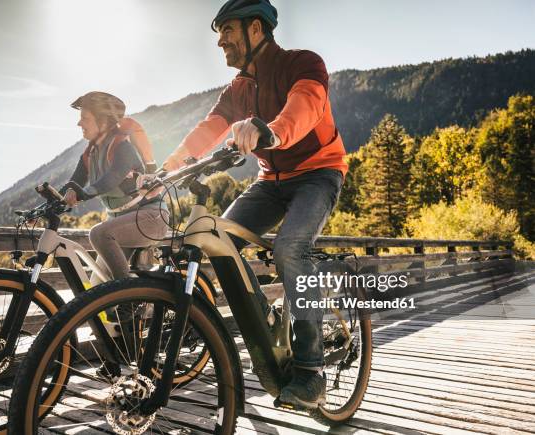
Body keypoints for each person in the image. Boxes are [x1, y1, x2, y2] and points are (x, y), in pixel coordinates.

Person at [163, 0, 347, 409]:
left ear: (257, 30)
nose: (221, 42)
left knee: (290, 248)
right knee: (220, 241)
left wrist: (271, 132)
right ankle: (266, 319)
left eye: (228, 31)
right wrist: (165, 169)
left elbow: (304, 107)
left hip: (318, 174)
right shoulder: (238, 89)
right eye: (219, 35)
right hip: (271, 181)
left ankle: (310, 371)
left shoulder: (303, 63)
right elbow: (208, 129)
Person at [63, 91, 169, 282]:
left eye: (84, 118)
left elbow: (113, 176)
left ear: (103, 122)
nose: (79, 124)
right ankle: (124, 303)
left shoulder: (123, 146)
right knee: (97, 284)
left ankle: (126, 300)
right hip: (122, 221)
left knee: (98, 234)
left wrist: (85, 193)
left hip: (151, 218)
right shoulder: (91, 153)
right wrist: (50, 202)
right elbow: (74, 183)